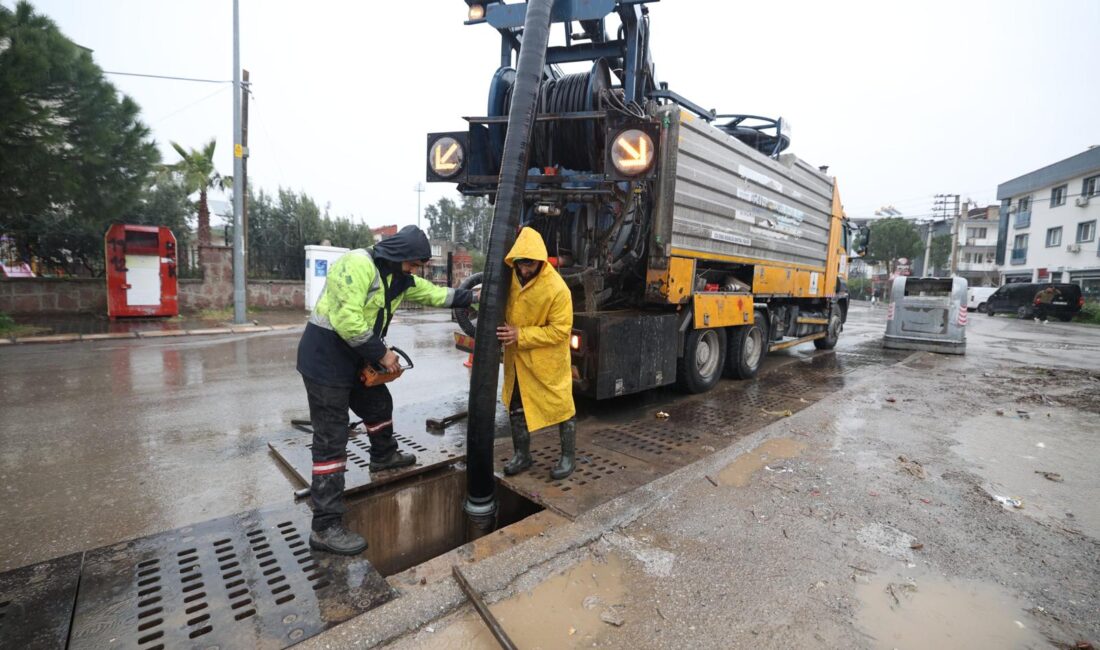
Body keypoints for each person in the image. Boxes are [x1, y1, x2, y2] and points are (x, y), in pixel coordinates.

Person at [297, 225, 477, 555]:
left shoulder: (399, 278)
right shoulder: (357, 265)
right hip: (325, 359)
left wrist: (472, 296)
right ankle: (325, 526)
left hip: (355, 356)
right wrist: (382, 354)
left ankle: (383, 457)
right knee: (331, 439)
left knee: (378, 403)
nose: (415, 271)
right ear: (397, 256)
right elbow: (347, 319)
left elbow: (435, 294)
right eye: (412, 264)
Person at [497, 227, 576, 479]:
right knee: (516, 406)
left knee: (562, 407)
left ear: (540, 261)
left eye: (529, 265)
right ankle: (522, 455)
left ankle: (568, 458)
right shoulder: (509, 277)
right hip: (517, 360)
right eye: (520, 265)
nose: (523, 270)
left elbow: (560, 331)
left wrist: (521, 335)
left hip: (546, 362)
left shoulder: (557, 289)